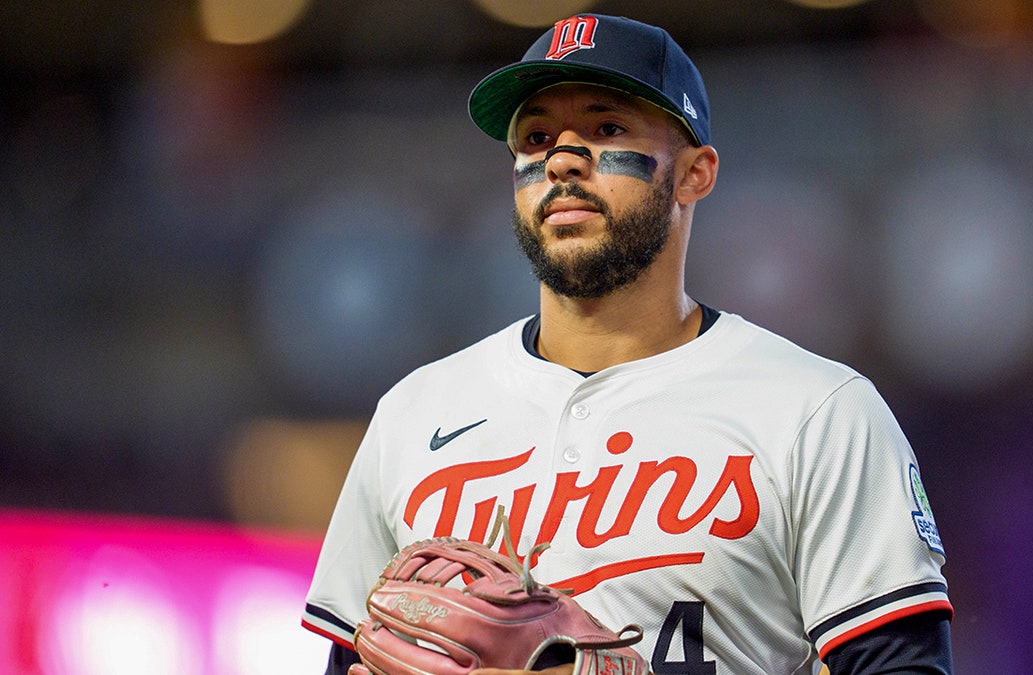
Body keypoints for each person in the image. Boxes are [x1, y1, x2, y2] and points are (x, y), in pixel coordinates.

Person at [302, 13, 953, 675]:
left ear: (695, 174)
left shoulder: (817, 411)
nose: (560, 156)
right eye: (535, 136)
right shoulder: (414, 414)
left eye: (606, 127)